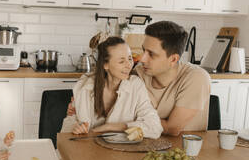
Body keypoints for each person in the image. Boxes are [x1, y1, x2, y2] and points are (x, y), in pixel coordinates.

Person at [68, 21, 210, 136]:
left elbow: (172, 129)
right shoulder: (139, 73)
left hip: (186, 148)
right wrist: (80, 97)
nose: (141, 59)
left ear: (173, 59)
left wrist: (117, 125)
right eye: (143, 50)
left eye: (151, 54)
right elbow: (111, 77)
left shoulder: (196, 77)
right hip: (144, 144)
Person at [61, 36, 163, 139]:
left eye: (130, 58)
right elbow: (68, 125)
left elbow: (155, 127)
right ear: (105, 65)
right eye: (121, 61)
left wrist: (111, 127)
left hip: (121, 151)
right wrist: (76, 128)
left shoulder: (135, 86)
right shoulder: (85, 85)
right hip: (89, 148)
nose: (129, 65)